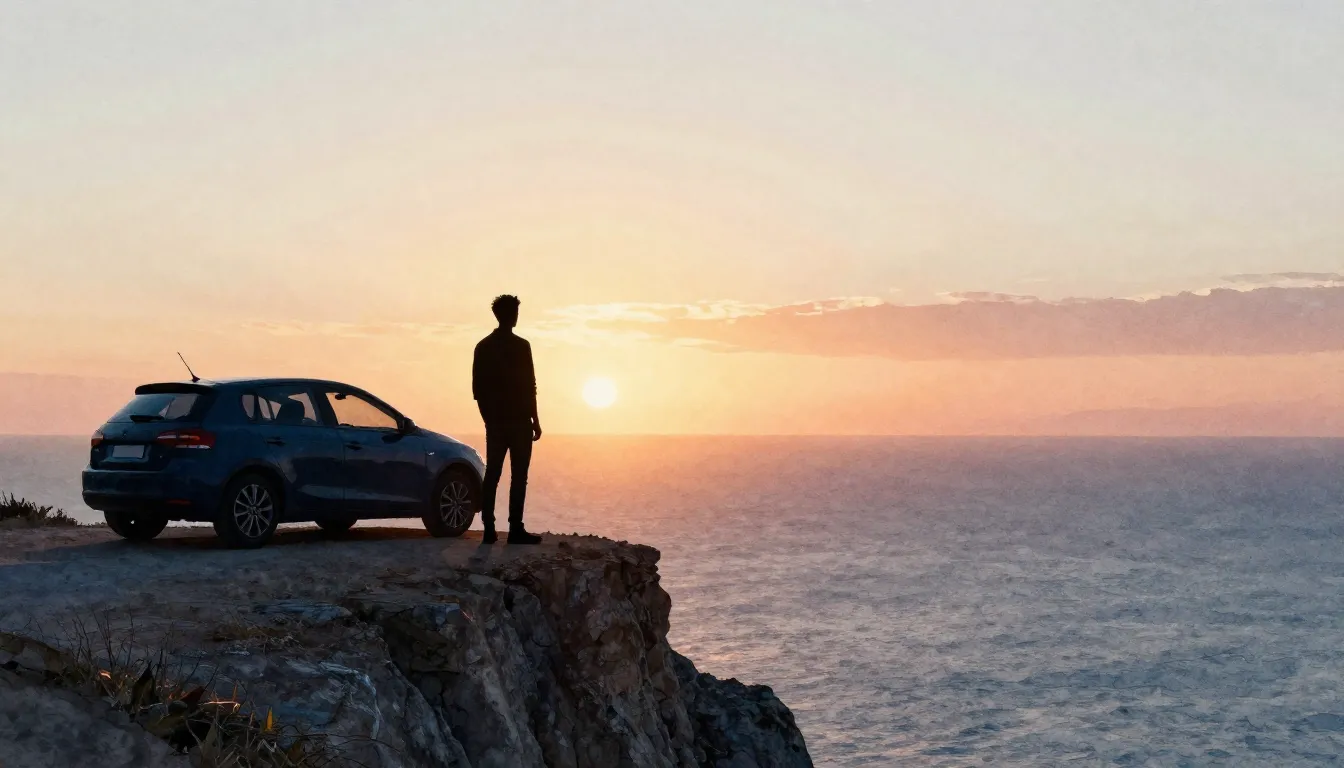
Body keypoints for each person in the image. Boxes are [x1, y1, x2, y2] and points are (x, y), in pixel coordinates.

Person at [472, 295, 543, 545]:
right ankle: (514, 529)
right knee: (516, 476)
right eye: (515, 312)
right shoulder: (521, 346)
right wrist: (535, 418)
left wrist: (488, 420)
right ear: (510, 315)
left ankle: (490, 528)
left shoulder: (483, 346)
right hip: (517, 421)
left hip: (500, 421)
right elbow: (530, 385)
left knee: (494, 473)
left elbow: (477, 391)